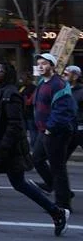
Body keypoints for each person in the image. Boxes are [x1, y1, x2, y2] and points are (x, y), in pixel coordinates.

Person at [0, 62, 67, 235]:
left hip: (5, 145)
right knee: (18, 183)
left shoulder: (11, 93)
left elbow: (15, 125)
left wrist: (2, 148)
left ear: (6, 74)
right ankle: (56, 212)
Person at [31, 53, 75, 212]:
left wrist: (50, 128)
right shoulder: (42, 82)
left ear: (52, 66)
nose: (41, 66)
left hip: (55, 132)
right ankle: (58, 188)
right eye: (39, 63)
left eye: (44, 63)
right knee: (36, 159)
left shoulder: (59, 84)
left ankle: (63, 204)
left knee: (58, 168)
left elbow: (63, 110)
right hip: (44, 130)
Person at [63, 65, 83, 160]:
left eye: (66, 74)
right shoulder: (63, 90)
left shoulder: (81, 92)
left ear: (75, 77)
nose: (64, 76)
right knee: (62, 158)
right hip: (69, 129)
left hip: (80, 129)